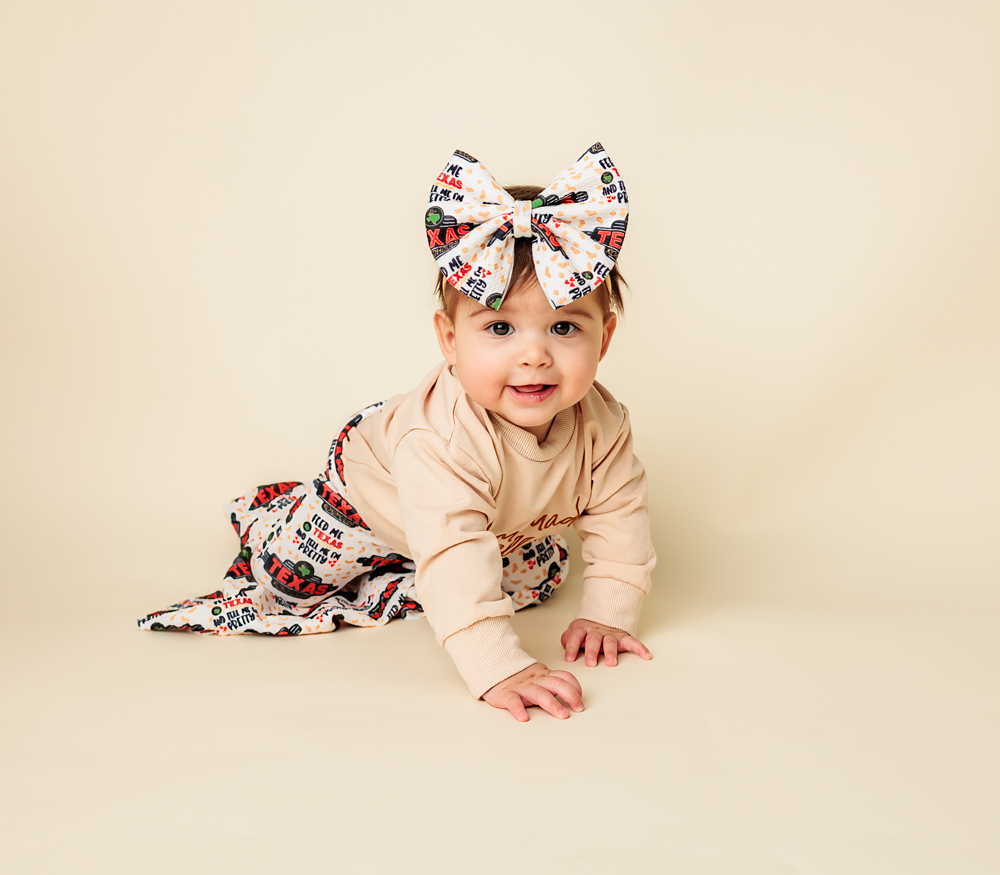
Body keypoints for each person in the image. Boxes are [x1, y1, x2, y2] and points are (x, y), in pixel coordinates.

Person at [138, 143, 656, 722]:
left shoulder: (604, 424)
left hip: (497, 521)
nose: (533, 355)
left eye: (563, 328)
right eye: (499, 328)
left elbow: (620, 517)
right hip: (364, 500)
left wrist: (608, 616)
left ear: (604, 339)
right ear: (450, 340)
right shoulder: (439, 440)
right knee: (287, 580)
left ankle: (410, 574)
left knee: (538, 580)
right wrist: (498, 665)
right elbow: (455, 552)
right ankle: (275, 516)